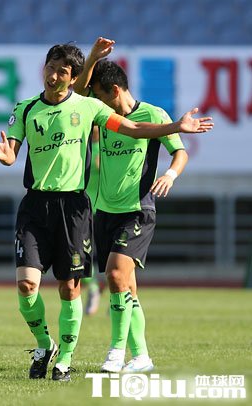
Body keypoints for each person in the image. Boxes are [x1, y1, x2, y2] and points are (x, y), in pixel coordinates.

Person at [0, 43, 212, 382]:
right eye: (50, 68)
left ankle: (85, 357)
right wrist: (7, 155)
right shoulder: (30, 108)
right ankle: (58, 346)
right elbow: (16, 148)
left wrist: (176, 132)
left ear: (76, 79)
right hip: (58, 207)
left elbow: (136, 130)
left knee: (91, 284)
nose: (53, 76)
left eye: (62, 71)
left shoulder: (103, 109)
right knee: (36, 285)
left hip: (99, 208)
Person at [73, 37, 189, 373]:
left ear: (113, 90)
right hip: (105, 212)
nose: (95, 102)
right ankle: (141, 357)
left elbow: (179, 152)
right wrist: (93, 57)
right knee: (127, 287)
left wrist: (170, 174)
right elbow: (77, 96)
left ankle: (116, 352)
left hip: (137, 210)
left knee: (114, 275)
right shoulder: (105, 117)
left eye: (99, 96)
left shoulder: (153, 114)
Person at [82, 127, 104, 316]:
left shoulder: (108, 147)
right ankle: (93, 288)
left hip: (106, 210)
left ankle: (117, 299)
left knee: (115, 259)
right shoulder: (81, 147)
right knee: (80, 257)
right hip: (83, 211)